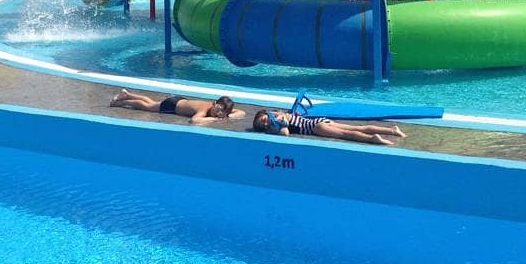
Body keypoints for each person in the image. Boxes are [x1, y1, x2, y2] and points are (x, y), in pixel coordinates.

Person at [252, 109, 407, 146]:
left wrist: (273, 130)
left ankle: (373, 139)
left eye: (264, 120)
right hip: (320, 121)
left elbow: (285, 133)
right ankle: (392, 130)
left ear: (269, 113)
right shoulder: (283, 113)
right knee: (358, 127)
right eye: (262, 126)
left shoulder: (279, 118)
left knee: (347, 134)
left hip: (317, 127)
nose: (266, 124)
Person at [110, 89, 246, 125]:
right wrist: (215, 120)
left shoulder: (217, 109)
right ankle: (122, 103)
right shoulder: (205, 109)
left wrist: (227, 115)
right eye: (219, 109)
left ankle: (127, 94)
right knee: (147, 106)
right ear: (214, 103)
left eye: (222, 112)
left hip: (179, 100)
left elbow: (242, 112)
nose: (219, 113)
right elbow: (194, 121)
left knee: (152, 102)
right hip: (173, 105)